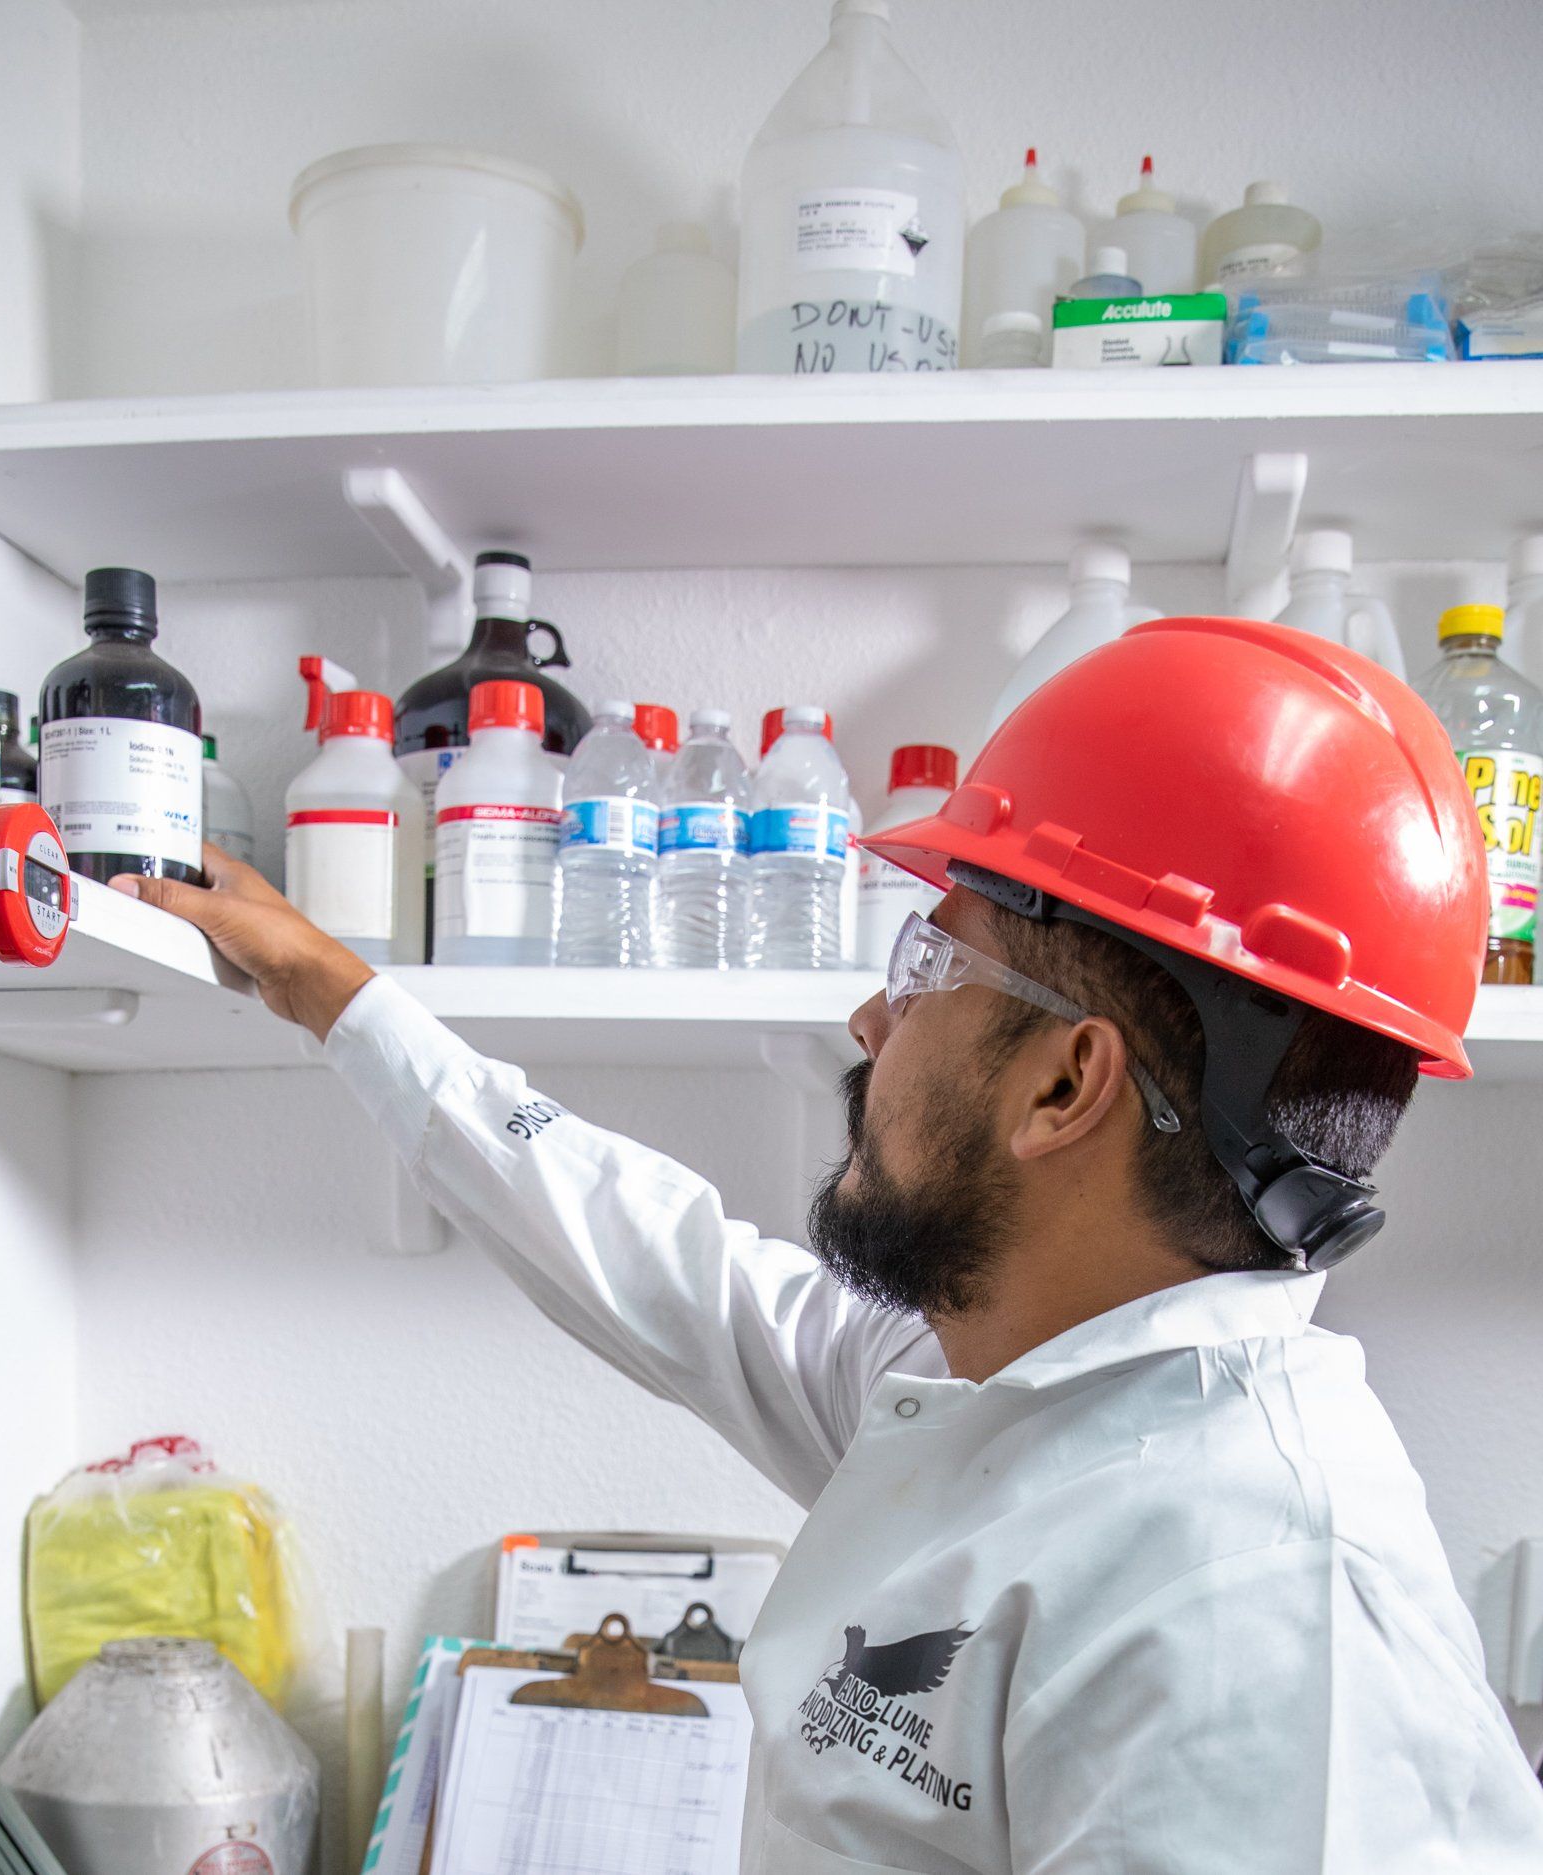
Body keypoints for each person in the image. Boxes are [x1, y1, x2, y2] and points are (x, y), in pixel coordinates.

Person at [115, 617, 1543, 1872]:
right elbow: (669, 1263)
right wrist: (339, 997)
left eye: (929, 964)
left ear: (1067, 1085)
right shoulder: (1005, 1378)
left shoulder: (1259, 1613)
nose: (872, 1020)